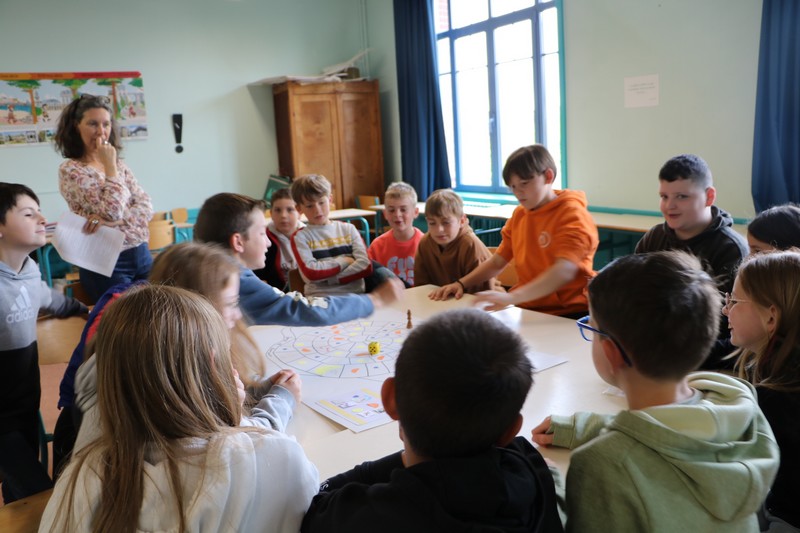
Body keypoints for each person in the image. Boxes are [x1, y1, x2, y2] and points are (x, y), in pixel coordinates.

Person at [532, 251, 779, 532]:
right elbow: (673, 430)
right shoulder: (740, 407)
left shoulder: (604, 464)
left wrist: (549, 484)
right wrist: (586, 427)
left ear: (612, 352)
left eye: (593, 329)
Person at [40, 285, 318, 532]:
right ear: (212, 366)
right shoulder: (278, 458)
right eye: (227, 359)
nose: (235, 371)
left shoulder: (81, 477)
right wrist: (233, 416)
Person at [301, 308, 563, 533]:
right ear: (511, 431)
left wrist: (404, 458)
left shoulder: (366, 517)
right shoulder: (530, 471)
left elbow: (312, 506)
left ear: (390, 399)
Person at [53, 242, 302, 476]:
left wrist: (259, 391)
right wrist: (282, 399)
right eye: (230, 303)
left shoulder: (154, 346)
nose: (237, 315)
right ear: (195, 309)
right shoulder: (163, 375)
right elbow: (243, 445)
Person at [430, 145, 597, 317]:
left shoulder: (572, 215)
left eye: (524, 183)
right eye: (513, 186)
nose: (518, 192)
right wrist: (460, 284)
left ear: (548, 176)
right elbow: (497, 262)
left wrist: (512, 297)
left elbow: (564, 271)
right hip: (529, 308)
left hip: (570, 312)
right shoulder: (520, 214)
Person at [194, 192, 403, 326]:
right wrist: (374, 300)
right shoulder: (234, 277)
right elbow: (302, 309)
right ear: (238, 242)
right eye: (262, 233)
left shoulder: (199, 265)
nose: (268, 243)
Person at [0, 183, 87, 503]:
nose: (42, 219)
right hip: (1, 418)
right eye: (28, 213)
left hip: (25, 401)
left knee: (21, 491)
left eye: (39, 211)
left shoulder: (29, 269)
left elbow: (47, 298)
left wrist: (83, 310)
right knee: (41, 495)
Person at [723, 250, 800, 531]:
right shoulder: (782, 368)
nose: (725, 309)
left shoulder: (779, 395)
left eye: (734, 301)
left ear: (771, 318)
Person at [54, 93, 154, 302]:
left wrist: (114, 223)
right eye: (93, 124)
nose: (101, 131)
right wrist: (109, 166)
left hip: (141, 253)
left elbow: (146, 207)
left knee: (154, 314)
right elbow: (112, 211)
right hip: (106, 259)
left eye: (106, 124)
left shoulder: (120, 164)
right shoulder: (71, 170)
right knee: (123, 319)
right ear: (76, 126)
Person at [634, 154, 747, 296]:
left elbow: (727, 307)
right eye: (664, 197)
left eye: (682, 196)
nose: (669, 205)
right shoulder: (654, 237)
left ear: (709, 197)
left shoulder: (732, 250)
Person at [289, 174, 373, 295]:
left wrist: (333, 279)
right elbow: (311, 273)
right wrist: (345, 261)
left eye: (321, 202)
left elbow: (365, 266)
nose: (317, 210)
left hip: (355, 295)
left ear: (330, 200)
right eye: (309, 206)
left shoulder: (348, 229)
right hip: (321, 298)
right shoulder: (300, 237)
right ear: (299, 209)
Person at [414, 188, 502, 293]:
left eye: (446, 222)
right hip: (442, 299)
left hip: (482, 300)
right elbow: (421, 286)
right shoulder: (425, 243)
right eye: (432, 223)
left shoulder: (470, 244)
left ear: (462, 221)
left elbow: (481, 292)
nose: (439, 229)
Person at [368, 182, 423, 287]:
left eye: (403, 210)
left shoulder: (425, 244)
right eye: (391, 210)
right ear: (385, 214)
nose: (397, 215)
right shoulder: (377, 246)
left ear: (415, 212)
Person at [253, 187, 305, 292]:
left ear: (299, 212)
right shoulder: (263, 238)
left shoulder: (309, 235)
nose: (283, 215)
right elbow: (259, 276)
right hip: (275, 294)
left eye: (290, 210)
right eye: (278, 210)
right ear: (271, 213)